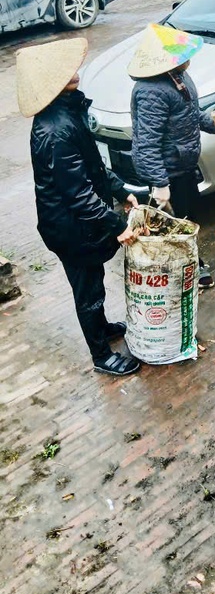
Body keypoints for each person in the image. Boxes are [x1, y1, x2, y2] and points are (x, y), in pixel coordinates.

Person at [17, 37, 141, 376]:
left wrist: (120, 190)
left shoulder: (67, 112)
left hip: (77, 223)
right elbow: (79, 194)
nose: (75, 73)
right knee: (87, 291)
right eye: (67, 72)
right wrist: (118, 225)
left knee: (94, 282)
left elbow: (93, 168)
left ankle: (101, 328)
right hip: (69, 228)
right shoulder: (55, 131)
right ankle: (101, 355)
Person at [129, 23, 215, 289]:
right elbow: (147, 143)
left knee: (189, 217)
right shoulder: (151, 91)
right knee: (176, 226)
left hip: (184, 164)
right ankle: (187, 270)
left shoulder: (179, 77)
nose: (188, 60)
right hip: (167, 171)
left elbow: (190, 113)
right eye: (182, 56)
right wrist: (160, 184)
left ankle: (190, 264)